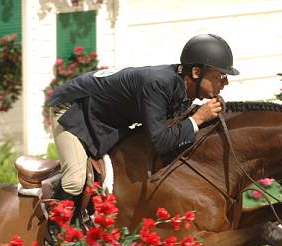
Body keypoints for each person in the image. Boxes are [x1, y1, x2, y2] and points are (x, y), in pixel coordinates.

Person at [47, 33, 240, 204]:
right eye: (220, 76)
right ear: (196, 72)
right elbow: (161, 142)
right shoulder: (158, 84)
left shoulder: (182, 85)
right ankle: (55, 235)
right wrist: (197, 119)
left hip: (104, 118)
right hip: (73, 109)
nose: (225, 82)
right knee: (75, 180)